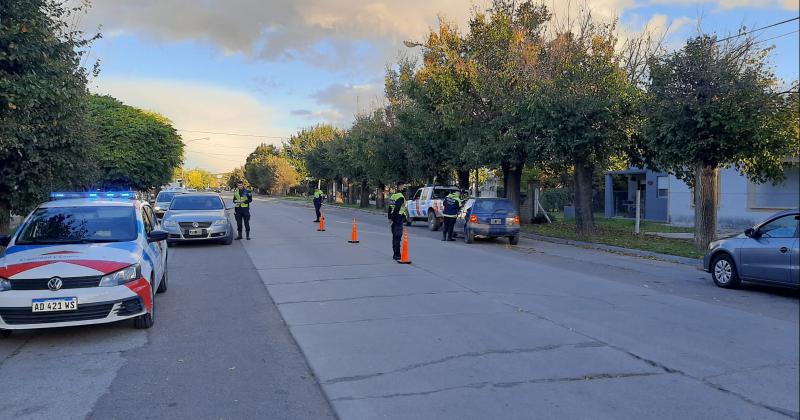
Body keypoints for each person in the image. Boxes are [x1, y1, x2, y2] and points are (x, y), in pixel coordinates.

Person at [387, 191, 408, 260]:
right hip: (398, 218)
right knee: (398, 237)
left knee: (394, 237)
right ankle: (397, 255)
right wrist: (392, 218)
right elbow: (397, 208)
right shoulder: (400, 197)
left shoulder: (393, 196)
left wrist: (390, 217)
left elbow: (390, 207)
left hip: (394, 219)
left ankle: (395, 254)